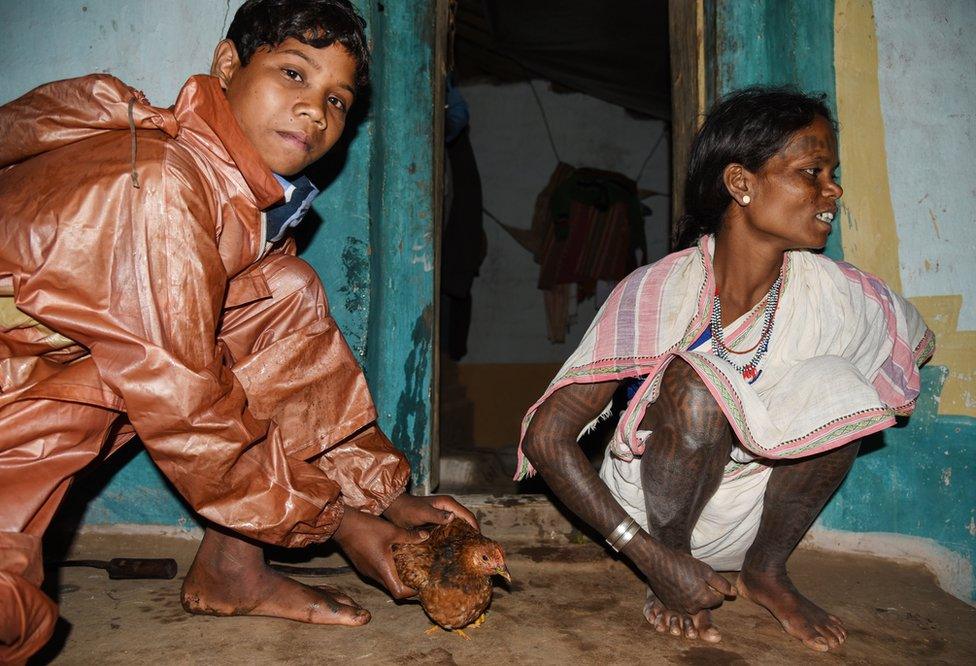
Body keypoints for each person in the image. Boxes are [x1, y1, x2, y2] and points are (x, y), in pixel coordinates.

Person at [0, 1, 475, 661]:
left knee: (279, 295)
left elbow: (287, 345)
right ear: (228, 65)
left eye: (337, 99)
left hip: (39, 373)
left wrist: (388, 496)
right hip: (17, 392)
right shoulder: (159, 188)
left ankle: (232, 571)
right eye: (293, 73)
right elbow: (186, 407)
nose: (315, 110)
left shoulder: (229, 196)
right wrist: (340, 523)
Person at [518, 88, 933, 653]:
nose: (831, 189)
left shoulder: (836, 293)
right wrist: (648, 554)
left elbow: (915, 339)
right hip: (653, 509)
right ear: (741, 184)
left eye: (832, 172)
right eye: (812, 171)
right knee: (698, 384)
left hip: (757, 513)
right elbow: (548, 437)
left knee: (840, 383)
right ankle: (675, 564)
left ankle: (767, 571)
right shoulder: (662, 290)